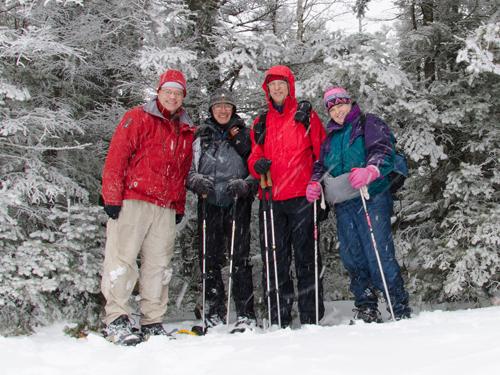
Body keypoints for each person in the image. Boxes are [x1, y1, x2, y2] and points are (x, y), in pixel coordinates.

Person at [100, 69, 195, 345]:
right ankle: (117, 318)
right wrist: (112, 197)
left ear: (183, 96)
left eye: (178, 93)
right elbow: (117, 157)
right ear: (159, 92)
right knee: (122, 259)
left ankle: (152, 320)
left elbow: (181, 171)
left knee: (158, 264)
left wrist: (178, 204)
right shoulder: (138, 117)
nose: (173, 96)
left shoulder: (185, 130)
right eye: (169, 91)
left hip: (164, 205)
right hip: (134, 199)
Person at [306, 86, 411, 323]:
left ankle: (398, 306)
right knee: (353, 257)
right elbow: (322, 166)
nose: (337, 111)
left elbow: (383, 150)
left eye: (341, 104)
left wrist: (371, 170)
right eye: (332, 107)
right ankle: (366, 306)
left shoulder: (368, 123)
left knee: (378, 253)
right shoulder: (330, 138)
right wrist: (315, 183)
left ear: (349, 103)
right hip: (344, 202)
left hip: (371, 197)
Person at [247, 65, 326, 327]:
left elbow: (321, 151)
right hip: (271, 199)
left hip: (302, 196)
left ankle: (310, 315)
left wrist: (318, 184)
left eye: (281, 83)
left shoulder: (305, 116)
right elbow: (254, 155)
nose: (277, 88)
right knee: (275, 258)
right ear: (267, 90)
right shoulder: (261, 122)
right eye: (272, 85)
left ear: (290, 86)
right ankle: (279, 316)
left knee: (306, 257)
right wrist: (256, 165)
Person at [187, 88, 257, 331]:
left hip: (237, 201)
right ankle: (213, 311)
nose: (223, 109)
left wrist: (246, 185)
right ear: (211, 110)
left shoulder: (245, 135)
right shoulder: (201, 136)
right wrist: (195, 181)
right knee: (209, 258)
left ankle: (246, 313)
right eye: (218, 106)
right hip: (209, 201)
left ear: (233, 109)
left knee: (240, 258)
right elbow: (189, 168)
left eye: (227, 105)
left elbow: (257, 168)